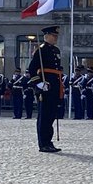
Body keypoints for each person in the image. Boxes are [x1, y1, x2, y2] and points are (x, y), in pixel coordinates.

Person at [27, 24, 64, 153]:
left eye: (56, 36)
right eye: (54, 36)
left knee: (51, 115)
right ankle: (43, 143)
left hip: (54, 86)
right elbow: (32, 69)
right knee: (44, 116)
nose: (56, 38)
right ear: (47, 36)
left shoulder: (56, 50)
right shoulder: (41, 50)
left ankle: (49, 141)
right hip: (45, 86)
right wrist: (38, 83)